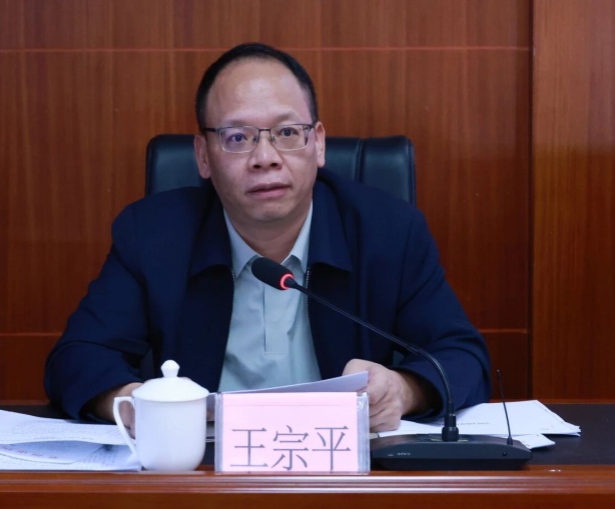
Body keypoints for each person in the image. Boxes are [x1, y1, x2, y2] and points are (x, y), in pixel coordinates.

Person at [44, 42, 491, 433]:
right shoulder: (154, 234)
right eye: (237, 137)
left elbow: (461, 355)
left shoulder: (388, 230)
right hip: (202, 473)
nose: (265, 157)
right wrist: (134, 405)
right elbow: (76, 359)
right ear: (203, 156)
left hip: (343, 471)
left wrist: (404, 390)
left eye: (287, 133)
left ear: (318, 143)